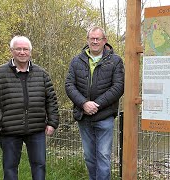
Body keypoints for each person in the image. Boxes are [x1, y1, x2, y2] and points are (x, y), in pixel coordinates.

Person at [65, 26, 124, 180]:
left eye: (98, 38)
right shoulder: (77, 61)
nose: (95, 41)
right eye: (92, 38)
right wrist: (84, 104)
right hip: (84, 117)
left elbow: (118, 87)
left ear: (105, 40)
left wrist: (95, 104)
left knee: (103, 157)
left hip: (104, 116)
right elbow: (69, 85)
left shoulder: (115, 60)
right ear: (88, 40)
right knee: (89, 157)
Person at [0, 36, 59, 180]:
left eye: (25, 49)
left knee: (39, 166)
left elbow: (51, 100)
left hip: (36, 129)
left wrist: (52, 122)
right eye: (18, 49)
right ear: (12, 51)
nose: (22, 52)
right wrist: (1, 120)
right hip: (9, 130)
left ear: (30, 52)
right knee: (10, 168)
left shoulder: (42, 74)